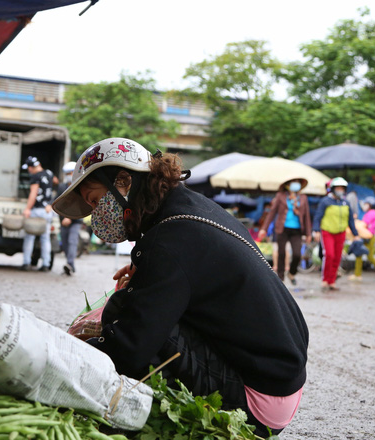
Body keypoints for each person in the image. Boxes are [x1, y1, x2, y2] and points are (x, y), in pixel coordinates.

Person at [53, 138, 308, 436]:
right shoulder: (189, 210)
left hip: (258, 402)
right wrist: (146, 273)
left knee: (125, 315)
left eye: (96, 201)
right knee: (142, 306)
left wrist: (66, 359)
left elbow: (131, 349)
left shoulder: (170, 239)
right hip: (279, 381)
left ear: (123, 182)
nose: (95, 214)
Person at [259, 178, 312, 284]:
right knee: (281, 253)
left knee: (297, 254)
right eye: (293, 182)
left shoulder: (303, 198)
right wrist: (264, 229)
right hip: (282, 229)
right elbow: (272, 213)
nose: (295, 184)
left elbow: (306, 216)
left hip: (297, 230)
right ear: (288, 185)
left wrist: (308, 233)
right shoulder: (280, 196)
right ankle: (280, 278)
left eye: (297, 182)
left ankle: (292, 273)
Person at [312, 177, 360, 292]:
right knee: (329, 255)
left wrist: (355, 234)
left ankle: (332, 281)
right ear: (333, 189)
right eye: (338, 188)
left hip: (341, 233)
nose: (340, 190)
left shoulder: (345, 203)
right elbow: (318, 216)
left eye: (342, 188)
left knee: (337, 257)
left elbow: (350, 220)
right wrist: (316, 230)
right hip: (327, 231)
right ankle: (325, 279)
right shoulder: (325, 201)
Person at [22, 156, 56, 272]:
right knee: (45, 238)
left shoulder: (35, 177)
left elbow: (33, 194)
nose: (28, 171)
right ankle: (46, 264)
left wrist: (27, 209)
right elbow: (56, 182)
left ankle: (26, 262)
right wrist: (50, 201)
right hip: (47, 210)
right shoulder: (49, 173)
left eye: (28, 168)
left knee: (29, 237)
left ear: (32, 167)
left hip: (37, 210)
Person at [348, 197, 375, 283]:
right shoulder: (368, 213)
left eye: (366, 203)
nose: (364, 205)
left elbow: (364, 224)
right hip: (364, 237)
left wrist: (354, 222)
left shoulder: (372, 213)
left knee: (370, 256)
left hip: (369, 238)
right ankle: (357, 275)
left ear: (370, 205)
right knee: (358, 254)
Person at [57, 161, 83, 276]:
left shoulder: (80, 187)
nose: (69, 175)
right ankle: (70, 265)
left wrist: (70, 218)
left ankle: (69, 264)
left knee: (72, 241)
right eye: (67, 173)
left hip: (75, 220)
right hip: (63, 220)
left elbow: (79, 204)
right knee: (65, 243)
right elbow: (58, 202)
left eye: (70, 173)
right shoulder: (62, 187)